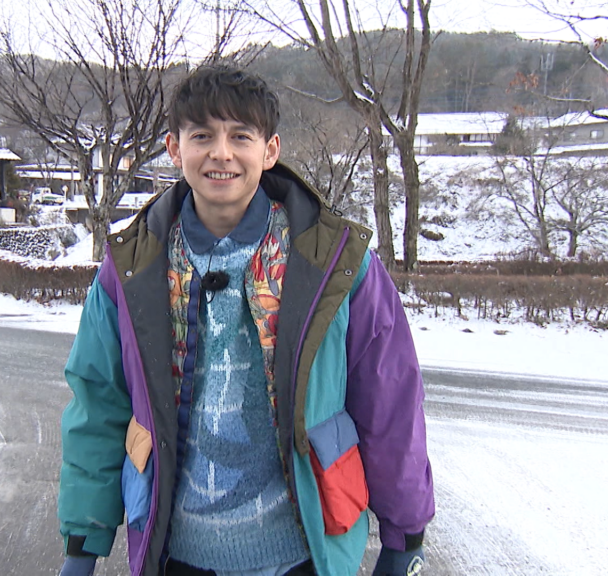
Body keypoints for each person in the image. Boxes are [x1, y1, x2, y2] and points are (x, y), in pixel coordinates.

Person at [58, 64, 434, 576]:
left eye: (240, 136)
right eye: (202, 136)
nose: (221, 153)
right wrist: (83, 542)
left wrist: (404, 534)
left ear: (270, 149)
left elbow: (390, 401)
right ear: (174, 148)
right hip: (176, 554)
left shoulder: (335, 263)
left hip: (301, 555)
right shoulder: (131, 267)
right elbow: (97, 403)